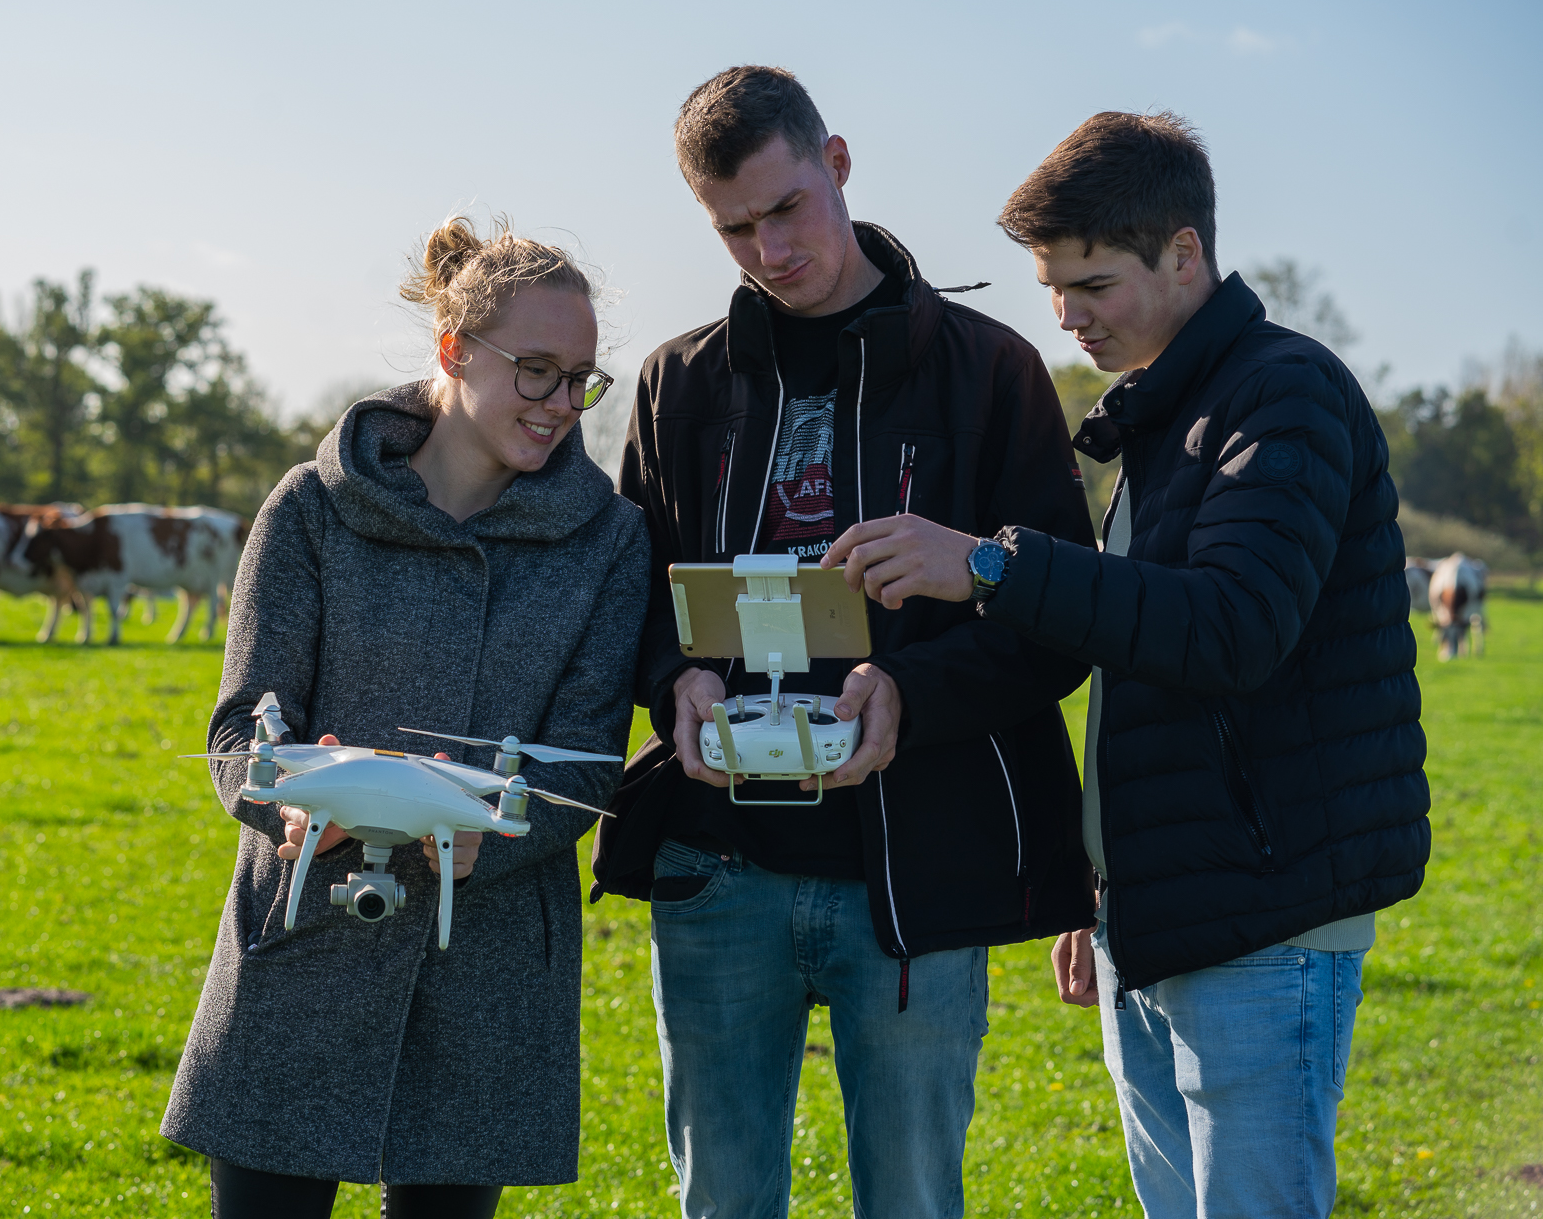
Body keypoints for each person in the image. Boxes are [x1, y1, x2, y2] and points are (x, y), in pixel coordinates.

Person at [831, 110, 1430, 1218]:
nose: (1064, 316)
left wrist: (994, 568)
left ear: (1184, 254)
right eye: (1052, 287)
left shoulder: (1280, 393)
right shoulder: (1172, 412)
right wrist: (1100, 886)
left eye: (1092, 283)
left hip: (1264, 920)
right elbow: (1141, 659)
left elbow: (1229, 629)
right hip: (1160, 912)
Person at [594, 65, 1098, 1219]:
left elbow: (1053, 625)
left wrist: (908, 694)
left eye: (784, 209)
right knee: (722, 1199)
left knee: (911, 1201)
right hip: (716, 870)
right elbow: (630, 598)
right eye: (733, 229)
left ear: (836, 163)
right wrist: (675, 679)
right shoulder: (676, 383)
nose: (769, 250)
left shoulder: (989, 371)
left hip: (913, 875)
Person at [161, 217, 650, 1218]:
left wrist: (499, 837)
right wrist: (284, 806)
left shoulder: (608, 539)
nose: (562, 404)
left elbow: (590, 761)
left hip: (489, 960)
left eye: (581, 379)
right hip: (304, 937)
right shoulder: (309, 508)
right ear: (452, 353)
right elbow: (237, 730)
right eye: (536, 372)